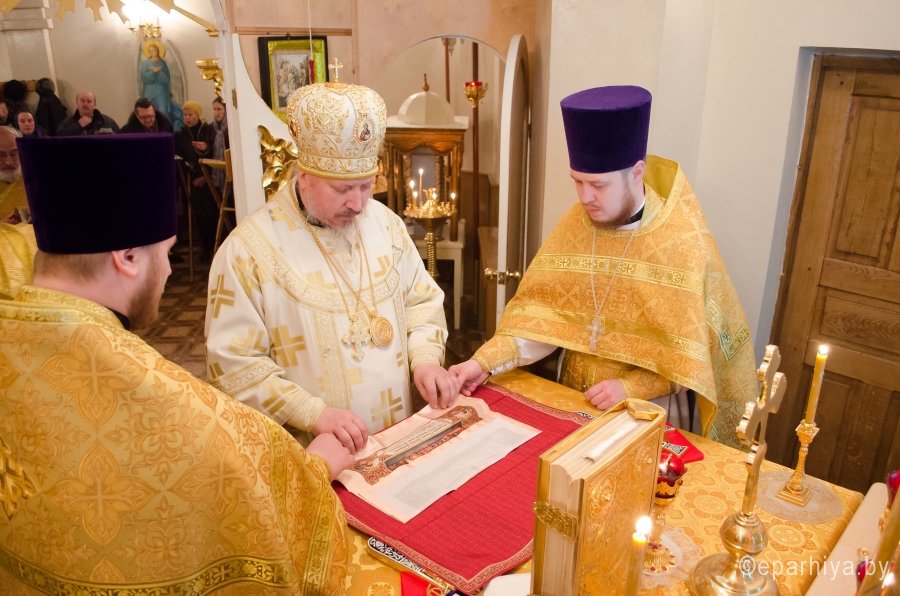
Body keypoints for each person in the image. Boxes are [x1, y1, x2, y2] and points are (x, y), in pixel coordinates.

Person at [0, 133, 353, 592]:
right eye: (165, 253)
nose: (169, 271)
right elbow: (256, 501)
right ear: (127, 257)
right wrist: (315, 467)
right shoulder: (180, 411)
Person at [450, 85, 758, 448]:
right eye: (577, 182)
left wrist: (631, 388)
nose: (585, 197)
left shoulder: (682, 242)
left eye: (598, 185)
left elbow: (697, 358)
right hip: (572, 401)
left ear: (637, 172)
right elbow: (540, 323)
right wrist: (481, 363)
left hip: (647, 412)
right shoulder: (575, 226)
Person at [205, 81, 457, 454]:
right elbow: (234, 365)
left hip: (398, 442)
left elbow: (421, 301)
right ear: (304, 175)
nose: (358, 204)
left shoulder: (386, 226)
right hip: (317, 457)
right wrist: (312, 413)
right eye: (342, 190)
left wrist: (425, 360)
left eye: (366, 186)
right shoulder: (247, 253)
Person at [174, 100, 216, 258]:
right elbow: (180, 157)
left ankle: (213, 247)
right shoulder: (181, 135)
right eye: (185, 115)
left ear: (197, 115)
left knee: (210, 215)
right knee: (197, 216)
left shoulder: (208, 130)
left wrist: (205, 149)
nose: (187, 118)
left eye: (190, 114)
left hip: (208, 179)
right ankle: (204, 249)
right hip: (191, 180)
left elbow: (214, 153)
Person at [139, 39, 173, 126]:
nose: (153, 52)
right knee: (148, 110)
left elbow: (166, 78)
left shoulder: (162, 63)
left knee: (162, 111)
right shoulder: (146, 63)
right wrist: (152, 72)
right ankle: (149, 128)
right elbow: (144, 77)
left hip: (161, 91)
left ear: (158, 51)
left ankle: (164, 128)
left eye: (154, 50)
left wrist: (159, 72)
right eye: (151, 51)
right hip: (149, 90)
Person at [209, 95, 229, 190]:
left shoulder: (232, 127)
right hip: (215, 172)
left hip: (231, 170)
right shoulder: (210, 128)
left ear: (226, 110)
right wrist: (205, 148)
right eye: (214, 109)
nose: (216, 112)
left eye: (219, 109)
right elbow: (209, 151)